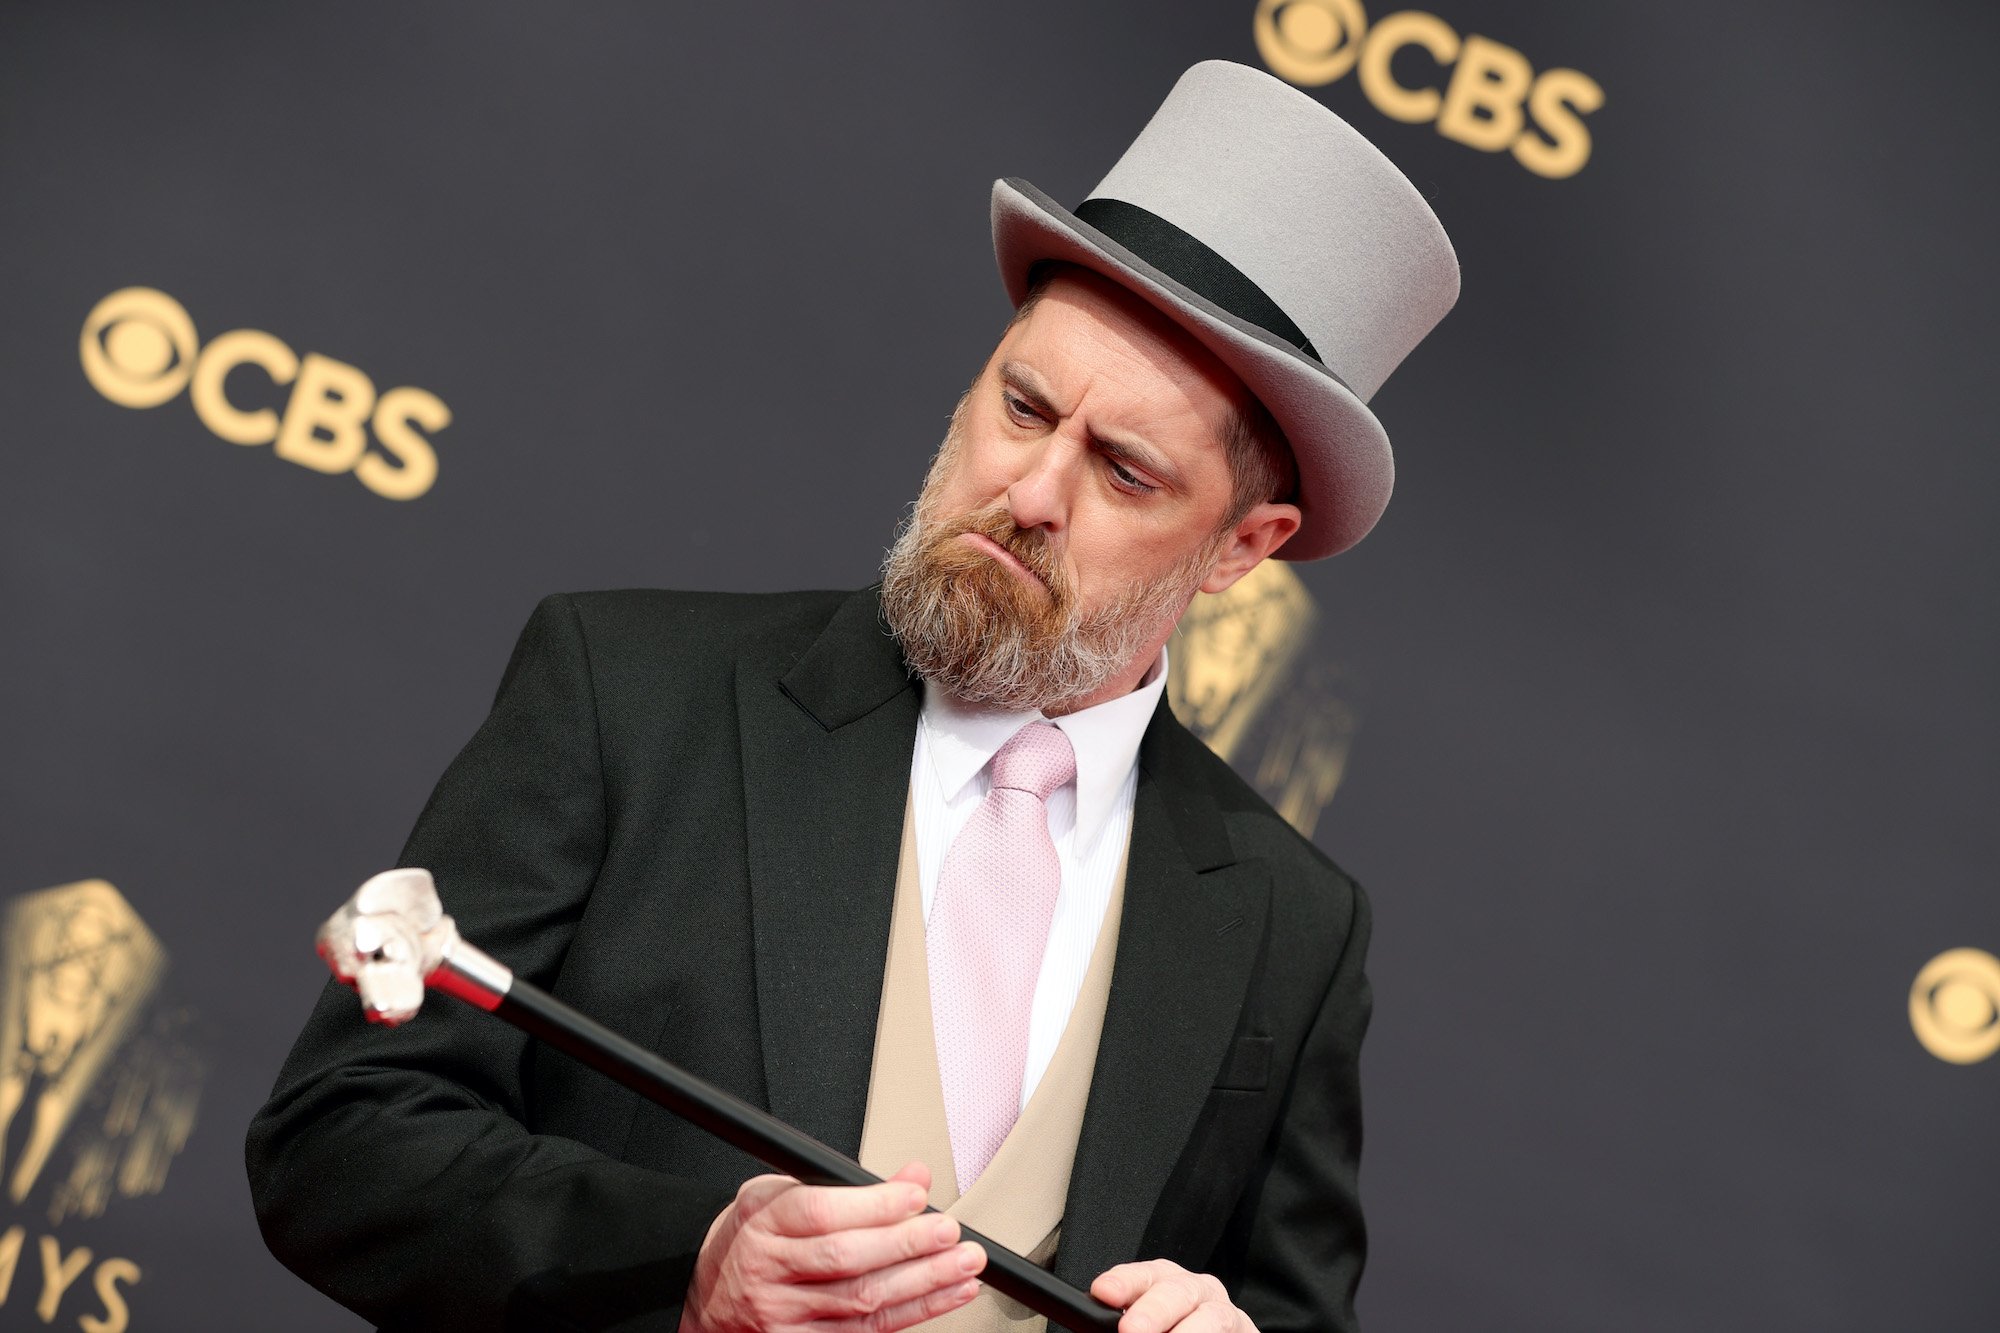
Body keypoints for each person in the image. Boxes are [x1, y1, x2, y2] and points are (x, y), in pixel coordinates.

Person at [247, 60, 1457, 1333]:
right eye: (1023, 404)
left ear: (1241, 549)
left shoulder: (1292, 926)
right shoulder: (628, 694)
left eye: (1124, 471)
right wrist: (687, 1265)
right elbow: (340, 1139)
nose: (1031, 489)